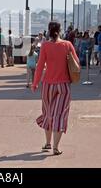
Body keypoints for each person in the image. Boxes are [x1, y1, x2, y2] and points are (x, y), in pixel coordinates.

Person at [31, 22, 79, 156]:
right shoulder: (67, 45)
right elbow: (77, 64)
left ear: (48, 31)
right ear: (60, 30)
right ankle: (56, 147)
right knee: (60, 114)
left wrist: (35, 83)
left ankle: (47, 143)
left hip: (48, 85)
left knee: (48, 113)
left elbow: (40, 66)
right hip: (63, 85)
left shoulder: (45, 45)